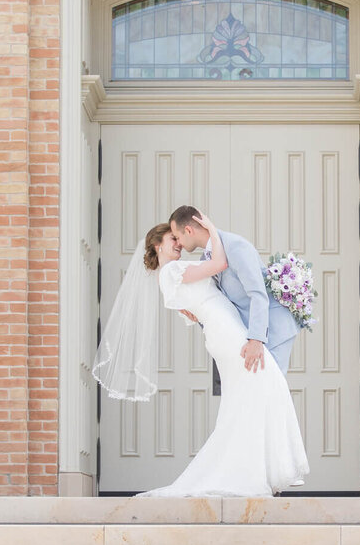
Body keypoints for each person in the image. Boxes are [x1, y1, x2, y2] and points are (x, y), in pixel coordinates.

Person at [92, 214, 308, 497]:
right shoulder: (171, 272)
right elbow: (218, 264)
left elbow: (192, 308)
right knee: (267, 385)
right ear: (156, 245)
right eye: (173, 240)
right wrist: (213, 231)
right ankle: (261, 468)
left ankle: (256, 468)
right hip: (227, 332)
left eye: (179, 239)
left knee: (251, 395)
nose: (179, 245)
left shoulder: (172, 275)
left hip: (224, 328)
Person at [169, 205, 300, 374]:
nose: (178, 243)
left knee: (272, 391)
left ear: (188, 230)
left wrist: (256, 339)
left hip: (273, 330)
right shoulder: (206, 260)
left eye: (177, 237)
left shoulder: (234, 246)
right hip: (247, 335)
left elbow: (257, 293)